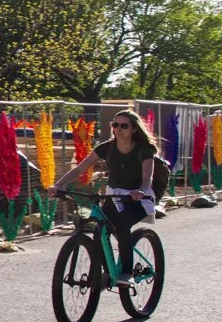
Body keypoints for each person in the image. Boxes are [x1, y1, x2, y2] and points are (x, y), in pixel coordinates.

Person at [52, 108, 157, 267]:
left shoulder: (144, 149)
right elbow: (80, 169)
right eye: (115, 125)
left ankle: (126, 272)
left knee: (122, 225)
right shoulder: (106, 147)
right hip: (114, 197)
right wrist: (58, 184)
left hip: (137, 199)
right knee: (99, 230)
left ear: (134, 129)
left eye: (124, 126)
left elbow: (147, 177)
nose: (118, 129)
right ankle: (107, 271)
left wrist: (141, 191)